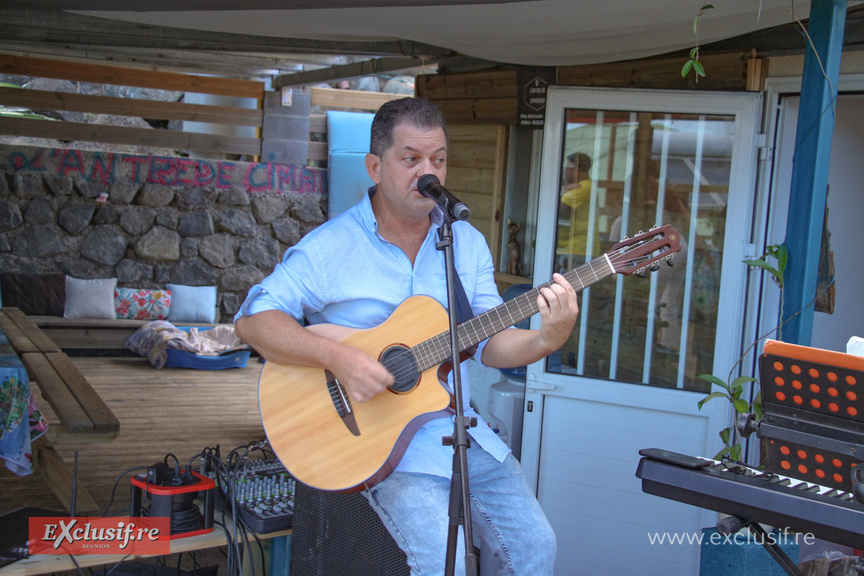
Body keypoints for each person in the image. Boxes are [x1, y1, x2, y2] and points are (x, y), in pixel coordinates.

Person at [234, 97, 579, 575]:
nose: (428, 172)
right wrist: (339, 358)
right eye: (411, 158)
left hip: (458, 429)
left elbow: (488, 343)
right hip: (376, 438)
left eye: (437, 159)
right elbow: (254, 319)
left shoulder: (465, 243)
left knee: (536, 548)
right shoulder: (332, 246)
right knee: (444, 563)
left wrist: (545, 340)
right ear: (375, 166)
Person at [556, 152, 598, 273]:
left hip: (578, 250)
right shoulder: (584, 185)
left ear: (577, 171)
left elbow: (561, 210)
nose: (565, 171)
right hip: (573, 248)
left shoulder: (583, 187)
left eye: (568, 168)